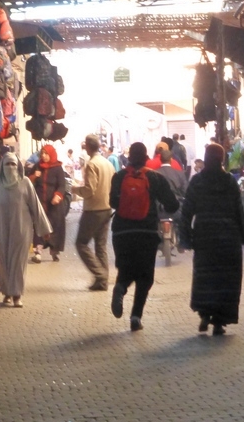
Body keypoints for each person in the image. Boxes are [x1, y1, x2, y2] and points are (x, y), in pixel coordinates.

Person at [179, 143, 244, 336]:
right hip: (228, 238)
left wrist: (185, 238)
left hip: (205, 238)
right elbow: (238, 211)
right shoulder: (229, 182)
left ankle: (204, 315)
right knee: (226, 280)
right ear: (222, 159)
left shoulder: (197, 182)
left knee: (205, 278)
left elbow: (186, 213)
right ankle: (219, 322)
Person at [110, 143, 179, 332]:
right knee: (145, 276)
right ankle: (135, 317)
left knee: (126, 268)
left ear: (130, 157)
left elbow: (113, 202)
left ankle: (120, 288)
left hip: (121, 232)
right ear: (146, 156)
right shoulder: (155, 177)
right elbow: (172, 204)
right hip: (146, 232)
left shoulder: (119, 177)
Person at [0, 153, 52, 308]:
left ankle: (17, 294)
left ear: (18, 167)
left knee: (17, 262)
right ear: (2, 167)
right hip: (0, 229)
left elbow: (36, 207)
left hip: (21, 229)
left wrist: (43, 228)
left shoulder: (25, 183)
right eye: (7, 164)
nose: (10, 168)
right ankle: (6, 293)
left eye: (13, 164)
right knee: (2, 261)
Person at [71, 134, 115, 291]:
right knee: (100, 245)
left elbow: (90, 190)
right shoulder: (107, 163)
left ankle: (100, 275)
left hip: (93, 210)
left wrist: (75, 188)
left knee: (81, 243)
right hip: (107, 207)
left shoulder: (92, 164)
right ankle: (102, 282)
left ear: (88, 147)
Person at [28, 144, 67, 262]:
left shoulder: (58, 168)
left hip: (54, 204)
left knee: (55, 226)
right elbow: (27, 181)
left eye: (46, 154)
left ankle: (54, 252)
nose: (44, 156)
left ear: (51, 154)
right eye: (42, 154)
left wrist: (58, 195)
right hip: (40, 202)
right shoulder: (37, 166)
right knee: (39, 226)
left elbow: (62, 185)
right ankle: (38, 252)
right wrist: (34, 176)